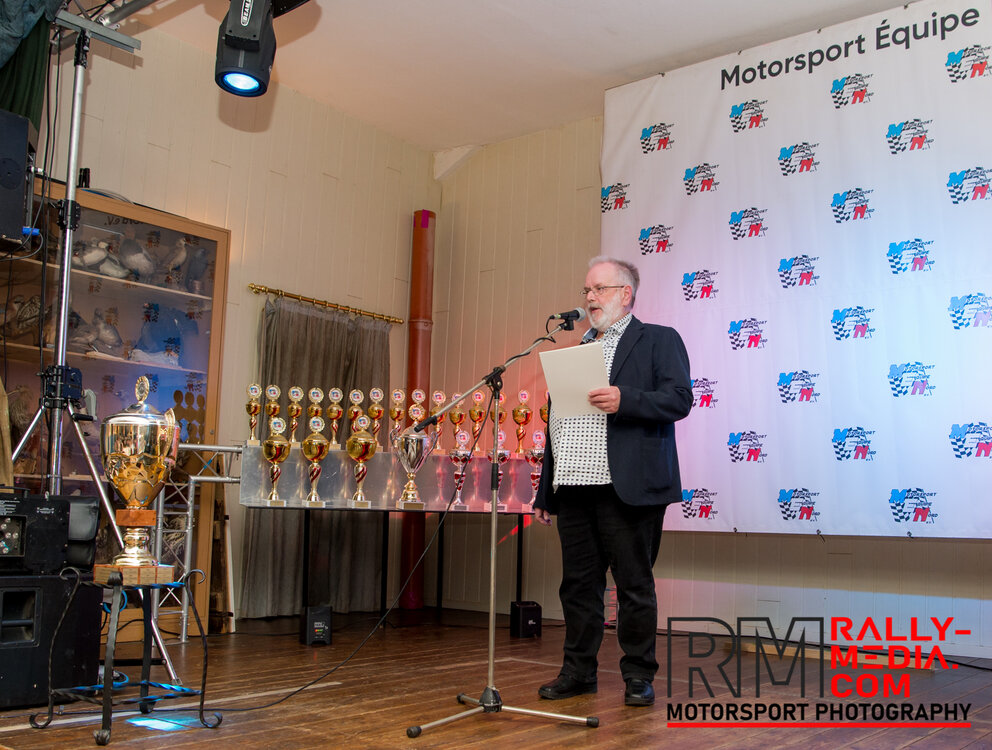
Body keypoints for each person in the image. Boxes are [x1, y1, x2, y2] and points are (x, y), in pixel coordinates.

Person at [534, 256, 692, 707]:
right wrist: (546, 490)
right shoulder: (575, 351)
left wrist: (626, 399)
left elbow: (679, 399)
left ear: (626, 294)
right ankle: (578, 672)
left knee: (633, 587)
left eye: (599, 289)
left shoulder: (658, 339)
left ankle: (638, 676)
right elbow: (558, 425)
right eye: (586, 290)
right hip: (574, 487)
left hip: (628, 487)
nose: (590, 298)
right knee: (577, 587)